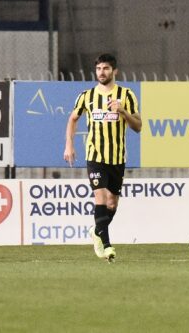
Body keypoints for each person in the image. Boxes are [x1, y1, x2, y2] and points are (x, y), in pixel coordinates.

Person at [64, 54, 141, 263]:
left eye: (106, 68)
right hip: (95, 155)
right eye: (98, 68)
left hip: (117, 157)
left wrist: (123, 111)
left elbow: (138, 126)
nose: (101, 72)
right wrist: (69, 144)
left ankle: (97, 230)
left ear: (114, 71)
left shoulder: (126, 95)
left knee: (112, 204)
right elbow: (73, 119)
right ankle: (107, 246)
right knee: (100, 197)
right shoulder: (87, 96)